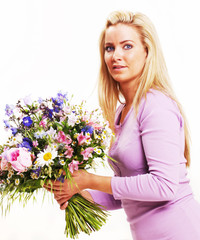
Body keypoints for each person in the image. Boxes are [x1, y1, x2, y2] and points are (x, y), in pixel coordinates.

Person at [44, 11, 200, 239]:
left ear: (147, 52)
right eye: (109, 48)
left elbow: (164, 186)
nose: (116, 55)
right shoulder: (122, 112)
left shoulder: (156, 106)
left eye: (127, 46)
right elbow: (130, 191)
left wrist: (91, 179)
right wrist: (77, 192)